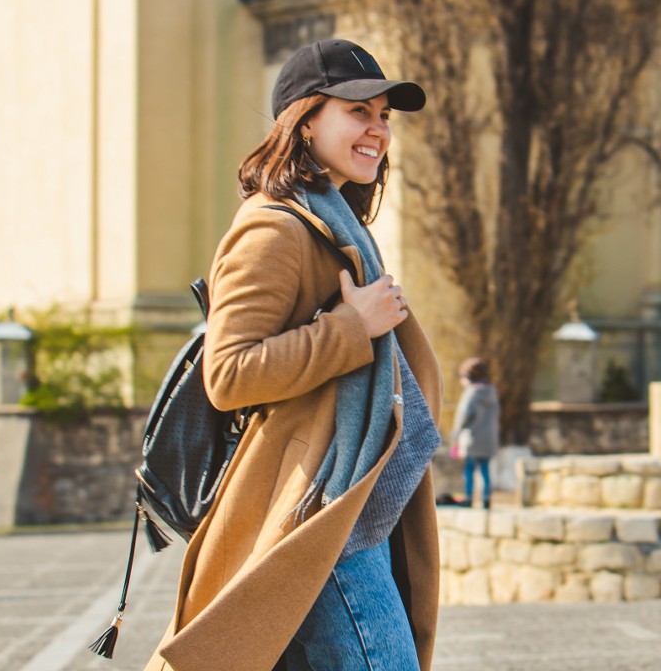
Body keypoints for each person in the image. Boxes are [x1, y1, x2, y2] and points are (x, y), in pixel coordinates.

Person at [145, 39, 442, 671]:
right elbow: (227, 375)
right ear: (305, 120)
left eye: (384, 116)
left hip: (347, 503)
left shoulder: (337, 227)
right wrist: (349, 329)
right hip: (315, 513)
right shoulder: (273, 227)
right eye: (358, 111)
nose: (378, 130)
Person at [451, 357, 500, 509]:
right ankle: (486, 498)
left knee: (469, 469)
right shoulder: (492, 393)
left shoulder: (471, 393)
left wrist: (456, 433)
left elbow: (463, 415)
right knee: (485, 469)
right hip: (488, 439)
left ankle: (469, 497)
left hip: (472, 439)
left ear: (468, 377)